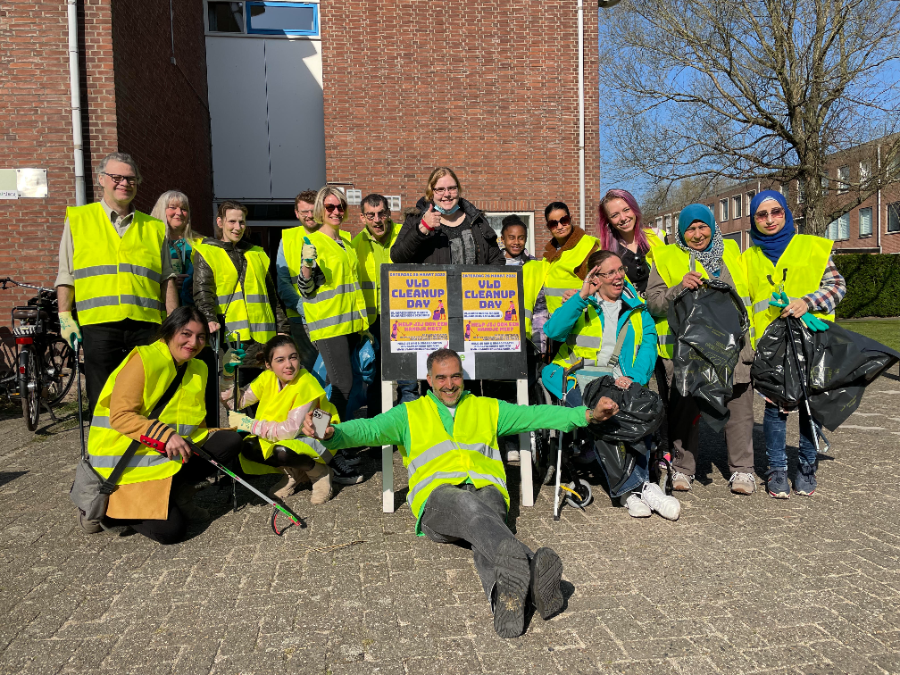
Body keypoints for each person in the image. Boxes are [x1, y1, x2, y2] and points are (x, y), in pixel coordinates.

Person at [302, 348, 621, 638]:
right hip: (437, 501)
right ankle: (531, 567)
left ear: (462, 377)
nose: (449, 384)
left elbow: (537, 415)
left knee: (486, 528)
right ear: (429, 380)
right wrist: (330, 433)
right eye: (441, 378)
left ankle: (503, 600)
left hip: (488, 492)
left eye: (455, 376)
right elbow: (367, 429)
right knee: (470, 508)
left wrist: (586, 415)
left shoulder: (486, 407)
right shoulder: (408, 414)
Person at [79, 307, 243, 544]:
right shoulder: (144, 359)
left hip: (165, 457)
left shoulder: (199, 367)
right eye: (186, 334)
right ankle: (106, 510)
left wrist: (227, 374)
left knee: (230, 440)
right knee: (171, 532)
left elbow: (196, 420)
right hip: (128, 464)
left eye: (201, 337)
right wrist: (165, 435)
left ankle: (177, 492)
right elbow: (121, 416)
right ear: (170, 331)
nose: (193, 342)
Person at [543, 250, 679, 521]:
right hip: (578, 378)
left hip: (621, 379)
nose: (619, 277)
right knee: (606, 411)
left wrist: (635, 378)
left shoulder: (638, 309)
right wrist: (581, 297)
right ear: (596, 277)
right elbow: (553, 331)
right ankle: (640, 489)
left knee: (641, 409)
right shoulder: (581, 302)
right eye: (611, 272)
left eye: (620, 270)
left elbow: (648, 346)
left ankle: (633, 492)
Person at [645, 204, 757, 496]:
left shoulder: (732, 251)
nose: (697, 234)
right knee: (686, 408)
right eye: (690, 229)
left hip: (732, 344)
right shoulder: (666, 256)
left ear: (712, 227)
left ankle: (743, 469)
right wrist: (678, 287)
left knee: (738, 406)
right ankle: (683, 468)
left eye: (702, 227)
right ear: (681, 232)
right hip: (689, 348)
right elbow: (653, 303)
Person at [56, 152, 179, 412]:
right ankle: (104, 440)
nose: (124, 183)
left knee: (147, 394)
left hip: (146, 325)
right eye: (116, 177)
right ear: (101, 179)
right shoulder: (79, 219)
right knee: (103, 396)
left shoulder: (154, 227)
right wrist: (65, 316)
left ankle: (143, 439)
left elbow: (166, 278)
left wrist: (174, 321)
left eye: (131, 179)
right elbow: (66, 273)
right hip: (98, 324)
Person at [743, 190, 846, 498]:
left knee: (810, 406)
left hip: (814, 340)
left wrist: (808, 301)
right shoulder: (748, 258)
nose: (770, 219)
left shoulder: (812, 246)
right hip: (771, 346)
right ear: (754, 220)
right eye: (762, 215)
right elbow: (744, 304)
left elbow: (837, 286)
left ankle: (806, 466)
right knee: (775, 408)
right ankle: (776, 470)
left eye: (776, 212)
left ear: (786, 213)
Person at [294, 186, 368, 485]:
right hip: (328, 326)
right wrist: (306, 269)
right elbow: (306, 288)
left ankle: (335, 443)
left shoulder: (345, 243)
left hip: (348, 325)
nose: (336, 211)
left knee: (343, 388)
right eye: (330, 207)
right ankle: (326, 450)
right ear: (319, 210)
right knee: (340, 387)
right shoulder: (312, 242)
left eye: (340, 206)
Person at [223, 335, 339, 505]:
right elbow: (235, 402)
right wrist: (227, 374)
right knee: (248, 447)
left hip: (321, 440)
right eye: (280, 360)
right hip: (290, 438)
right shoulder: (267, 377)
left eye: (293, 357)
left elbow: (289, 431)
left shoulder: (306, 382)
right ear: (268, 365)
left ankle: (320, 473)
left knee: (281, 451)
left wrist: (250, 424)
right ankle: (294, 474)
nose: (289, 365)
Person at [193, 200, 287, 389]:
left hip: (264, 338)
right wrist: (209, 318)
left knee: (265, 389)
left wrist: (282, 327)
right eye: (232, 221)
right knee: (233, 388)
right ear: (220, 222)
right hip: (232, 339)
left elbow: (271, 295)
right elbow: (203, 291)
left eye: (242, 222)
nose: (237, 227)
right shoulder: (207, 252)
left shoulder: (257, 253)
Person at [150, 190, 220, 427]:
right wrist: (168, 282)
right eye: (172, 207)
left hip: (197, 322)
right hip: (162, 322)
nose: (179, 212)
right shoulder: (152, 241)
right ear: (162, 210)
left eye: (184, 208)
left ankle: (208, 430)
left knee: (201, 378)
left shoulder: (200, 243)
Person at [350, 193, 417, 410]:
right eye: (371, 215)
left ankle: (409, 422)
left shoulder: (405, 235)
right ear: (362, 217)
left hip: (404, 317)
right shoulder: (355, 245)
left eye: (381, 214)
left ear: (389, 213)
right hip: (373, 322)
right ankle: (377, 425)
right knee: (376, 379)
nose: (377, 220)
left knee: (408, 378)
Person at [391, 167, 504, 265]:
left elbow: (497, 260)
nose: (447, 194)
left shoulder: (476, 221)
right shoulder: (415, 220)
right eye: (440, 189)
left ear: (458, 190)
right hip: (433, 284)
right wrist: (422, 229)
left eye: (452, 188)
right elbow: (397, 258)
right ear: (431, 193)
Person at [275, 189, 321, 372]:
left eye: (313, 211)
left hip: (332, 318)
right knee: (308, 371)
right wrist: (306, 310)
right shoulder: (287, 239)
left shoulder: (338, 236)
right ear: (296, 213)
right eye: (304, 212)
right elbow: (283, 284)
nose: (309, 216)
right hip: (300, 319)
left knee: (334, 374)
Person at [596, 189, 665, 296]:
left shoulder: (658, 236)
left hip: (662, 304)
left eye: (626, 210)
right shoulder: (604, 251)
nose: (623, 218)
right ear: (608, 220)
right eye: (615, 215)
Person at [541, 201, 600, 316]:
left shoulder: (589, 246)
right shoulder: (549, 255)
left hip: (581, 319)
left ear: (570, 219)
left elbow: (604, 284)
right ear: (548, 227)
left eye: (564, 221)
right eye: (553, 224)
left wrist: (580, 297)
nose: (560, 227)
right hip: (557, 321)